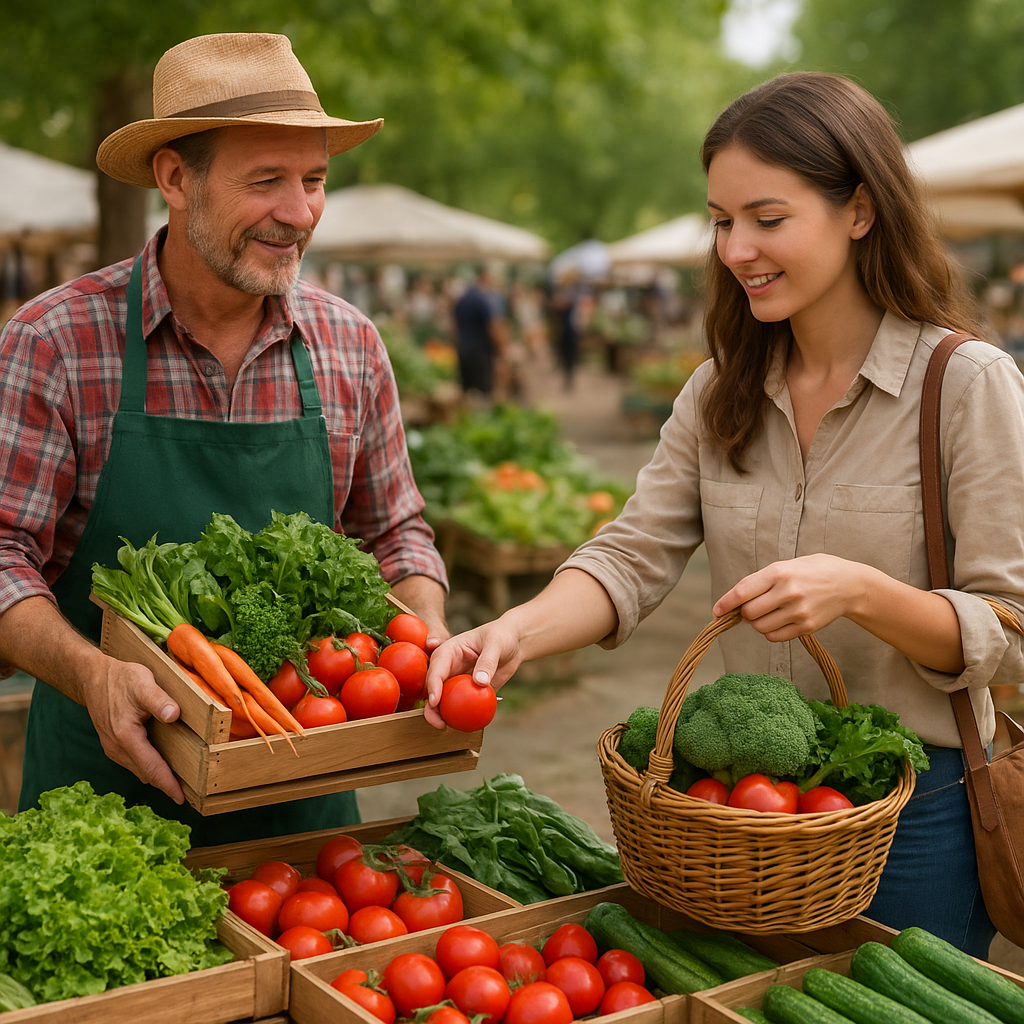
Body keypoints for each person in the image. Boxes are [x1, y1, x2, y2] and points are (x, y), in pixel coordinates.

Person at [424, 72, 1024, 957]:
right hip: (740, 814)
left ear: (859, 210)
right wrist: (514, 630)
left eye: (766, 219)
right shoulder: (719, 391)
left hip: (914, 815)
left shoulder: (965, 385)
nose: (736, 247)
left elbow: (1010, 628)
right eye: (720, 221)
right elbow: (632, 555)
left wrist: (861, 591)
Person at [0, 32, 449, 845]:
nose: (301, 212)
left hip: (305, 814)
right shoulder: (57, 342)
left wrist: (426, 628)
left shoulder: (350, 346)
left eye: (313, 180)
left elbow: (395, 533)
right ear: (175, 177)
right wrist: (94, 674)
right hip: (105, 801)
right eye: (266, 181)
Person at [452, 266, 509, 398]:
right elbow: (494, 326)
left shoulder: (463, 298)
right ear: (487, 278)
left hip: (463, 349)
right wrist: (503, 350)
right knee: (483, 393)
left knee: (467, 391)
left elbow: (454, 326)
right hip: (481, 352)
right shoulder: (487, 299)